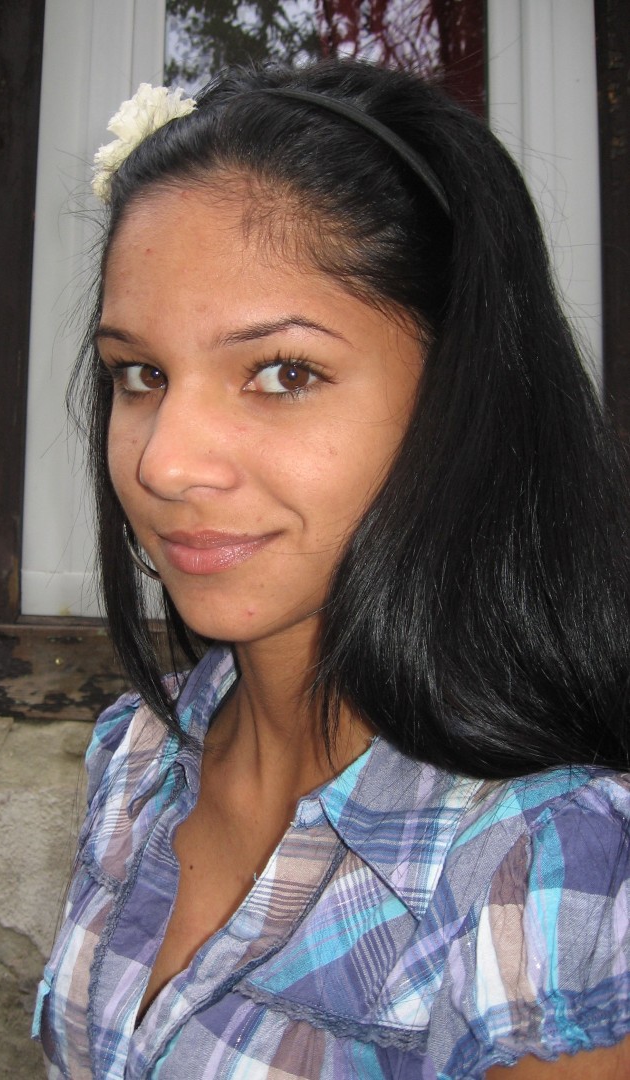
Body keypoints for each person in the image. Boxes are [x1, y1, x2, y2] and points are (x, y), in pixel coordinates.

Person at [33, 58, 630, 1078]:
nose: (164, 462)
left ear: (461, 398)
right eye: (142, 373)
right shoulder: (135, 759)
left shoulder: (544, 874)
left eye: (283, 372)